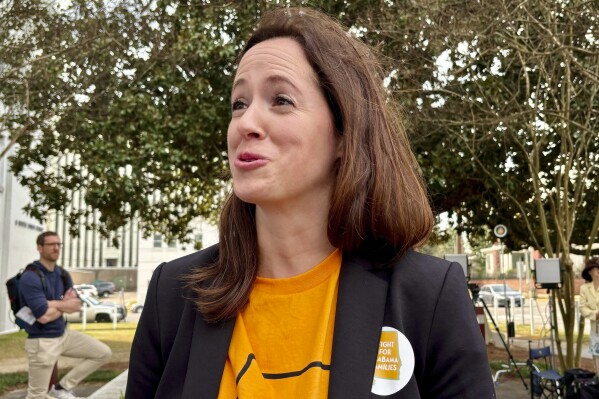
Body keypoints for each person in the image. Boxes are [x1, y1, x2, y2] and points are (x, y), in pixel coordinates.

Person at [126, 7, 494, 398]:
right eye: (239, 103)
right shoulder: (174, 294)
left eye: (280, 99)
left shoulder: (427, 296)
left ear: (342, 133)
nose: (246, 123)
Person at [20, 232, 112, 399]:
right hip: (42, 341)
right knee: (36, 396)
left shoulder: (62, 274)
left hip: (64, 334)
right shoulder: (30, 277)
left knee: (103, 353)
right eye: (51, 244)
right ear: (40, 248)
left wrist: (50, 304)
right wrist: (63, 305)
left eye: (59, 244)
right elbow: (43, 317)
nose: (56, 248)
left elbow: (76, 305)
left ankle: (61, 388)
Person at [579, 257, 599, 374]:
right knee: (597, 360)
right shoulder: (584, 289)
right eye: (596, 268)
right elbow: (582, 308)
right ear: (590, 272)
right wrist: (595, 314)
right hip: (595, 330)